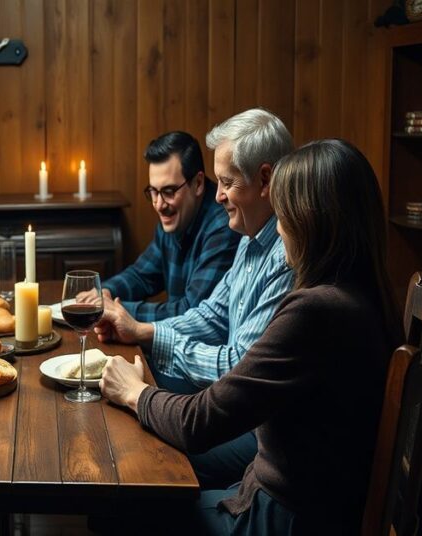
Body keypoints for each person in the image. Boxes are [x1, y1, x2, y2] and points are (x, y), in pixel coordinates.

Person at [99, 139, 402, 533]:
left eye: (285, 213)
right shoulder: (362, 292)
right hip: (301, 505)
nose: (278, 226)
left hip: (281, 519)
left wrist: (133, 392)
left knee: (127, 502)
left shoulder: (316, 311)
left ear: (313, 220)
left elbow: (200, 421)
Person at [94, 108, 294, 489]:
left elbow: (238, 367)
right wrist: (142, 330)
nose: (219, 196)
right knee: (121, 419)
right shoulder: (252, 237)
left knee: (136, 456)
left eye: (227, 182)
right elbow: (212, 315)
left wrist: (141, 392)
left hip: (259, 431)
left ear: (265, 179)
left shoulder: (283, 252)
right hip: (232, 402)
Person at [85, 131, 240, 322]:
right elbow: (142, 275)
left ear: (198, 183)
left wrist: (115, 309)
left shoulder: (223, 227)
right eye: (153, 191)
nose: (158, 204)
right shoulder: (175, 216)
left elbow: (192, 313)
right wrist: (103, 292)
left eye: (168, 191)